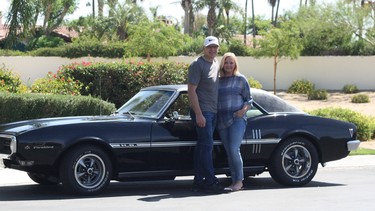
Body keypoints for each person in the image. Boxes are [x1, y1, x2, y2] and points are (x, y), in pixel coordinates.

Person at [187, 36, 223, 193]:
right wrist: (199, 114)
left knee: (202, 147)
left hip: (213, 111)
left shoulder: (215, 63)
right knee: (207, 147)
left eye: (215, 47)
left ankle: (198, 182)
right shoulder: (197, 64)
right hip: (203, 112)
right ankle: (210, 182)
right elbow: (191, 91)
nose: (213, 49)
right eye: (210, 47)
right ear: (204, 48)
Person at [217, 52, 252, 192]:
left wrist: (242, 111)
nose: (229, 65)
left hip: (237, 118)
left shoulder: (241, 79)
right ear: (222, 64)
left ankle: (239, 181)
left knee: (234, 149)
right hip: (221, 120)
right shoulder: (217, 80)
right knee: (229, 151)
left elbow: (249, 99)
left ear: (235, 64)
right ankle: (233, 182)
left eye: (231, 62)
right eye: (226, 62)